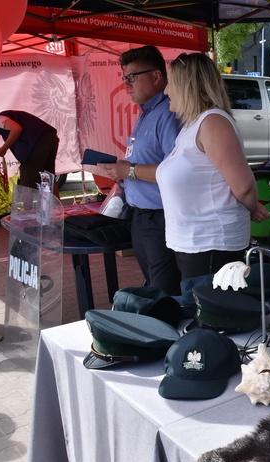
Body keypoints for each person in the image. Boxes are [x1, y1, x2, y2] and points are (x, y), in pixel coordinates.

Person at [156, 52, 269, 287]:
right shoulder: (193, 125)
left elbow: (244, 186)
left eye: (171, 83)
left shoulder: (213, 123)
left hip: (211, 244)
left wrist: (252, 206)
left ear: (188, 86)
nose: (166, 91)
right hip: (195, 244)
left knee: (207, 307)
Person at [84, 46, 182, 295]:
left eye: (132, 77)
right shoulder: (146, 113)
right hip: (140, 216)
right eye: (124, 78)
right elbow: (141, 162)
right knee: (153, 287)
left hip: (161, 217)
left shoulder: (168, 114)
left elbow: (177, 171)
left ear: (156, 76)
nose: (126, 84)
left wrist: (128, 171)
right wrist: (121, 170)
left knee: (165, 293)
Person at [0, 106, 59, 190]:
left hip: (37, 143)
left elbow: (16, 129)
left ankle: (28, 199)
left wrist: (3, 149)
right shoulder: (6, 117)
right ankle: (54, 198)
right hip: (50, 138)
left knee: (27, 181)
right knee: (48, 178)